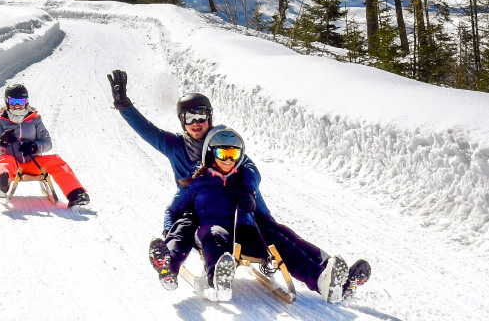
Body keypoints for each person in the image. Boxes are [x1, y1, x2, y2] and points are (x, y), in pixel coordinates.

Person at [163, 125, 370, 303]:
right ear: (210, 154)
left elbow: (253, 173)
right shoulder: (196, 183)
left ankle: (320, 280)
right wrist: (168, 231)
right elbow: (173, 210)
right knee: (215, 234)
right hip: (212, 229)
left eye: (233, 155)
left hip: (244, 230)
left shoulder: (243, 178)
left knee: (278, 241)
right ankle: (218, 278)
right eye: (222, 154)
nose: (228, 159)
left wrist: (249, 196)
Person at [106, 71, 271, 288]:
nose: (196, 123)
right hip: (195, 207)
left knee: (266, 225)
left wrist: (248, 190)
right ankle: (168, 266)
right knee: (183, 226)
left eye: (201, 116)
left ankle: (281, 253)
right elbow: (147, 130)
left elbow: (249, 167)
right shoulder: (175, 145)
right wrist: (124, 105)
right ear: (182, 121)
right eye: (189, 117)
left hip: (232, 204)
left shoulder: (222, 143)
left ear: (209, 118)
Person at [0, 84, 90, 208]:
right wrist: (1, 140)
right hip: (11, 162)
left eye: (21, 101)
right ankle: (1, 185)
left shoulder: (34, 119)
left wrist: (34, 147)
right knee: (5, 163)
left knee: (56, 161)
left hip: (33, 163)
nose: (17, 105)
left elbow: (47, 143)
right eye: (13, 101)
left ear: (26, 102)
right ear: (7, 101)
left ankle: (76, 194)